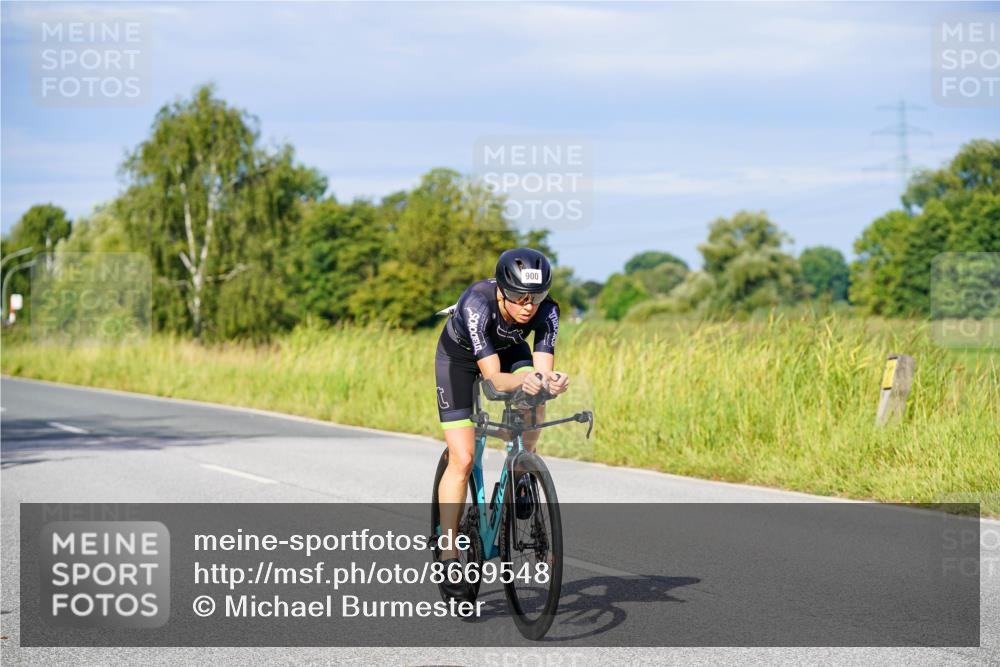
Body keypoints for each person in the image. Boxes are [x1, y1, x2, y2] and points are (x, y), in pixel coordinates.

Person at [434, 247, 570, 601]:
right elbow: (493, 380)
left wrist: (549, 380)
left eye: (536, 296)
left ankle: (523, 470)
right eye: (519, 297)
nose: (529, 305)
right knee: (462, 458)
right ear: (501, 291)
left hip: (510, 351)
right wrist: (526, 382)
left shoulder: (548, 311)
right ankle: (448, 554)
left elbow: (541, 367)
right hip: (460, 360)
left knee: (536, 396)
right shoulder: (477, 304)